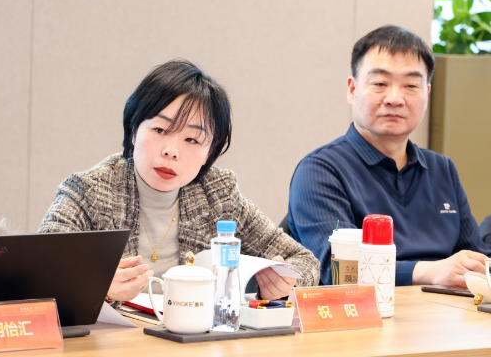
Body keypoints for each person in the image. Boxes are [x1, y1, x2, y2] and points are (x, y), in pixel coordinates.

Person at [39, 59, 320, 301]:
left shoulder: (218, 196)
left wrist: (285, 282)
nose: (171, 151)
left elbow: (305, 262)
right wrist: (95, 287)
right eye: (160, 130)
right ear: (134, 130)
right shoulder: (89, 191)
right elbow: (40, 273)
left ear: (210, 151)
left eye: (191, 139)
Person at [288, 25, 491, 288]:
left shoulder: (442, 169)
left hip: (444, 310)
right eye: (380, 84)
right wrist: (427, 271)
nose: (395, 98)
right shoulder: (320, 170)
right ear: (352, 89)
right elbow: (336, 270)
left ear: (427, 93)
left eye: (410, 85)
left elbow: (474, 259)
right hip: (365, 312)